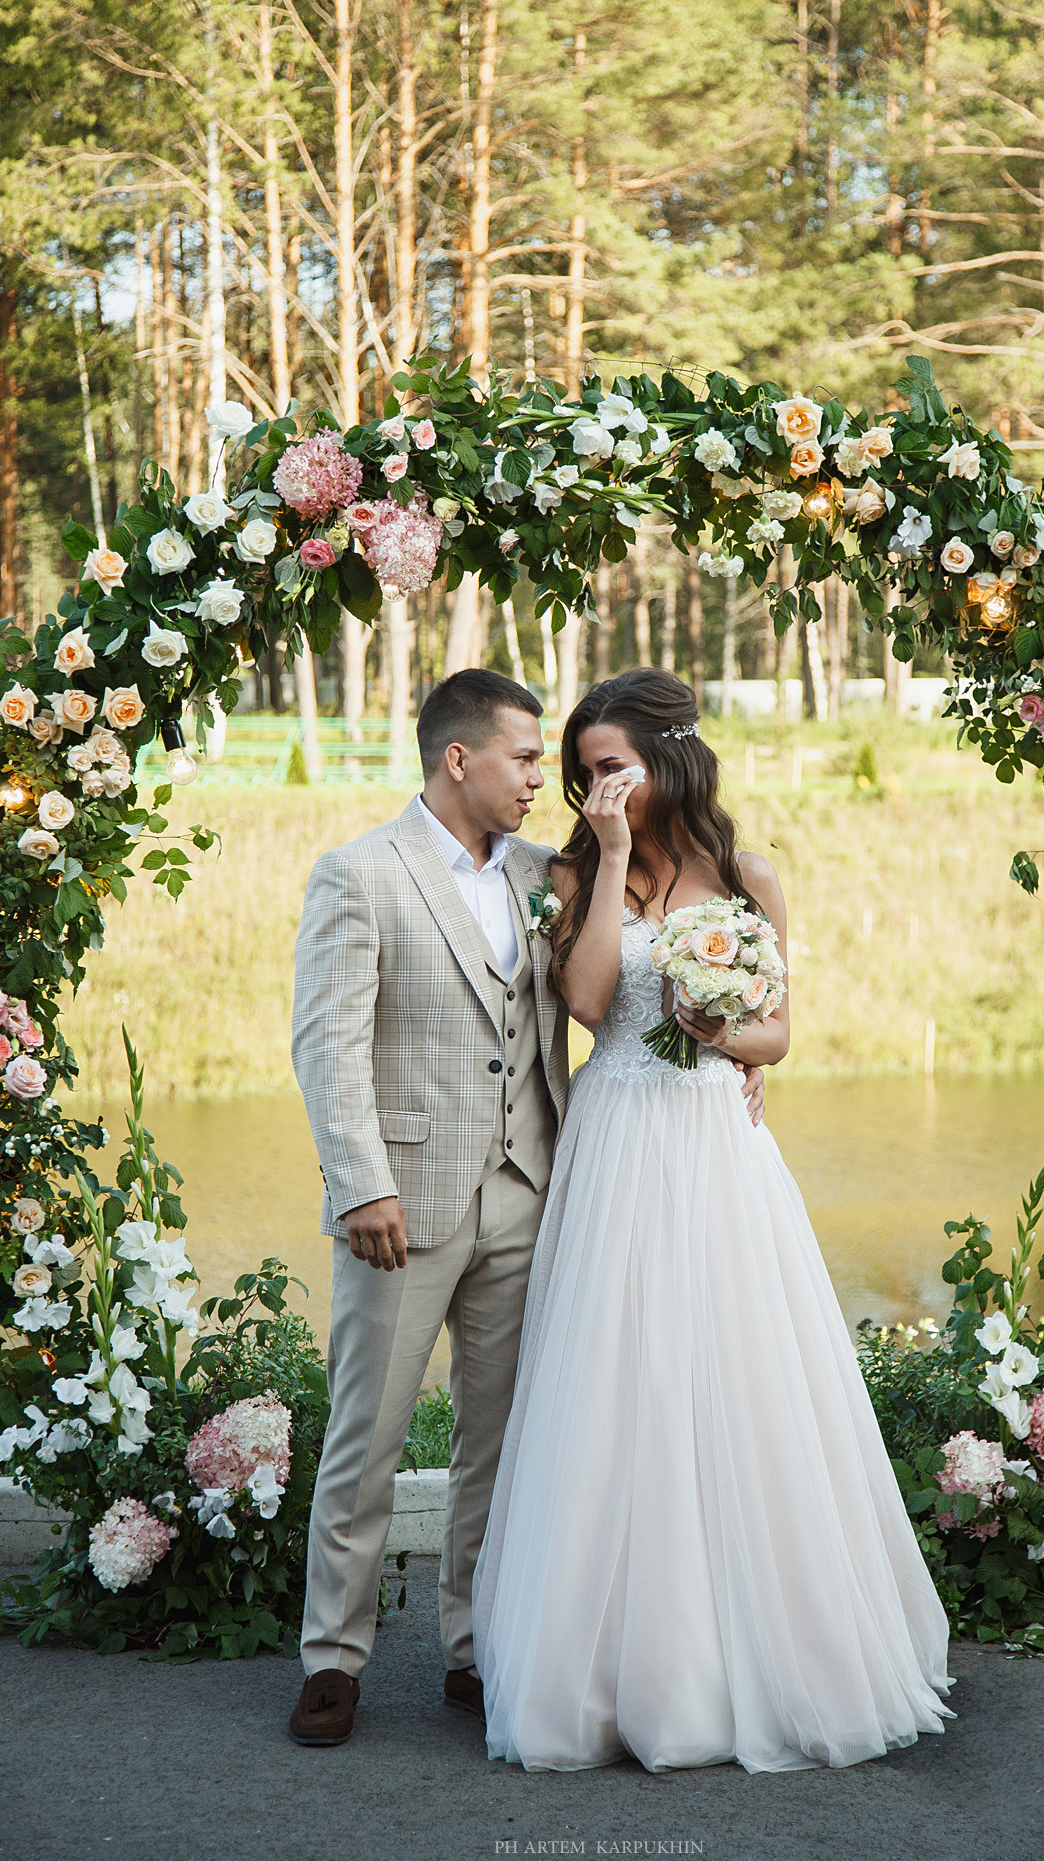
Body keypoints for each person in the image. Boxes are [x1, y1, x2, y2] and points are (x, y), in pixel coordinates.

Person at [472, 667, 954, 1774]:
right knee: (613, 1381)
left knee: (735, 1378)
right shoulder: (566, 872)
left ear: (666, 758)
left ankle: (769, 1654)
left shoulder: (746, 876)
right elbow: (590, 1004)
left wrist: (720, 1034)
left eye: (612, 769)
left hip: (715, 1149)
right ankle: (606, 1671)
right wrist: (600, 866)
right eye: (583, 772)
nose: (594, 787)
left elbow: (779, 1034)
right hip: (618, 1140)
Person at [286, 668, 763, 1747]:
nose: (539, 780)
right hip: (400, 1202)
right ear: (459, 759)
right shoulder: (359, 875)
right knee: (366, 1436)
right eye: (521, 758)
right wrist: (359, 1179)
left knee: (499, 1444)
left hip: (534, 1191)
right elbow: (326, 1045)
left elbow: (614, 986)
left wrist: (730, 1043)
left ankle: (473, 1645)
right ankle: (333, 1657)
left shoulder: (548, 876)